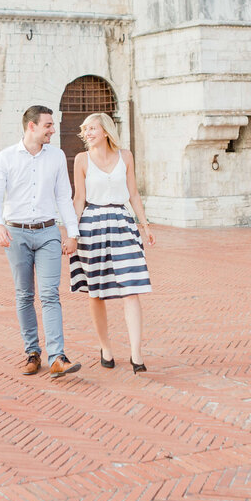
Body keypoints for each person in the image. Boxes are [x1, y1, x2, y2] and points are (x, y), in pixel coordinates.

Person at [0, 105, 82, 378]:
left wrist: (72, 233)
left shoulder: (57, 156)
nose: (53, 129)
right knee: (24, 295)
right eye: (48, 125)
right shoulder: (5, 158)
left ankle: (57, 357)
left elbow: (64, 196)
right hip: (16, 234)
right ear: (32, 126)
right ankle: (32, 352)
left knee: (50, 294)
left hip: (48, 232)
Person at [69, 112, 155, 373]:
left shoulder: (125, 156)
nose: (88, 133)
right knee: (96, 292)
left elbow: (134, 193)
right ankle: (105, 347)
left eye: (93, 128)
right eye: (86, 130)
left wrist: (145, 224)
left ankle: (136, 354)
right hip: (91, 226)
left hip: (122, 223)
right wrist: (72, 233)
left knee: (132, 287)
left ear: (106, 131)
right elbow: (79, 199)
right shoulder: (81, 160)